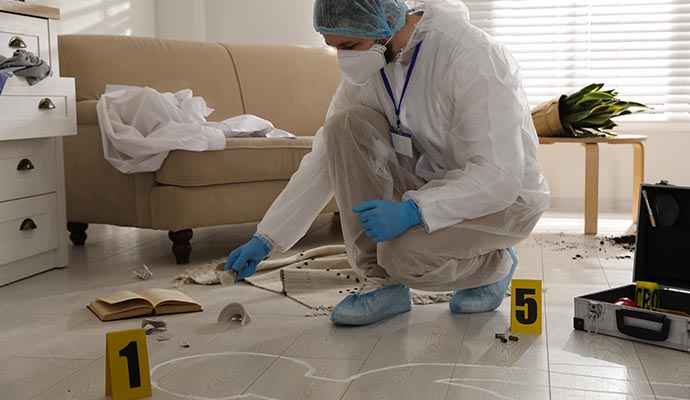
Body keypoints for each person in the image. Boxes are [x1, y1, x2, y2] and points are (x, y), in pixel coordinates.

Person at [225, 0, 550, 326]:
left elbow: (499, 175)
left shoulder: (470, 55)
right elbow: (326, 157)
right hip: (431, 180)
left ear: (389, 21)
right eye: (334, 47)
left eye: (350, 45)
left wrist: (415, 210)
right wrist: (268, 238)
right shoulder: (374, 65)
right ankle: (383, 284)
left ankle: (493, 267)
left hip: (503, 199)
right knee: (345, 126)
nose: (344, 58)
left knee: (403, 256)